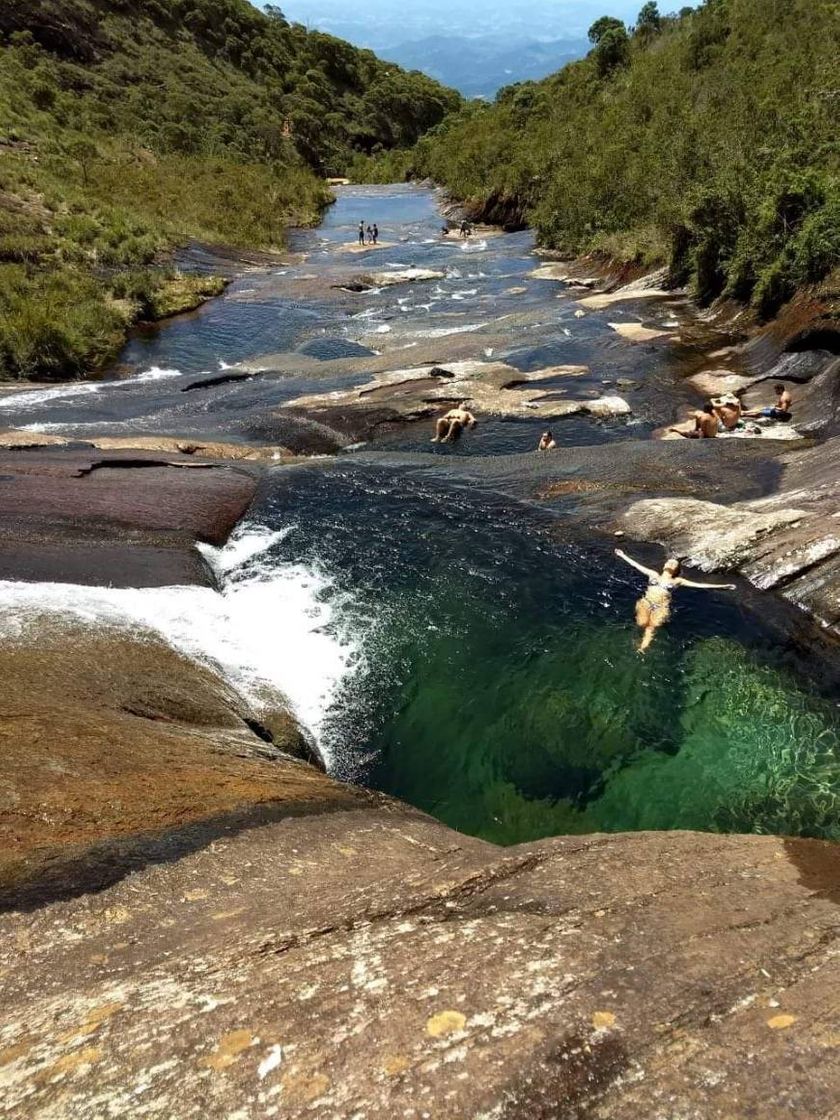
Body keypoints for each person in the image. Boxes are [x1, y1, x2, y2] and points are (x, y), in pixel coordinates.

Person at [615, 549, 736, 653]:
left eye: (674, 564)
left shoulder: (677, 581)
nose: (672, 563)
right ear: (664, 566)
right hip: (646, 602)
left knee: (652, 626)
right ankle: (634, 638)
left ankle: (642, 648)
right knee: (641, 623)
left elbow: (699, 585)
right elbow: (637, 565)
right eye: (670, 561)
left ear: (676, 569)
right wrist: (622, 555)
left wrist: (723, 586)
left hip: (661, 606)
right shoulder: (653, 575)